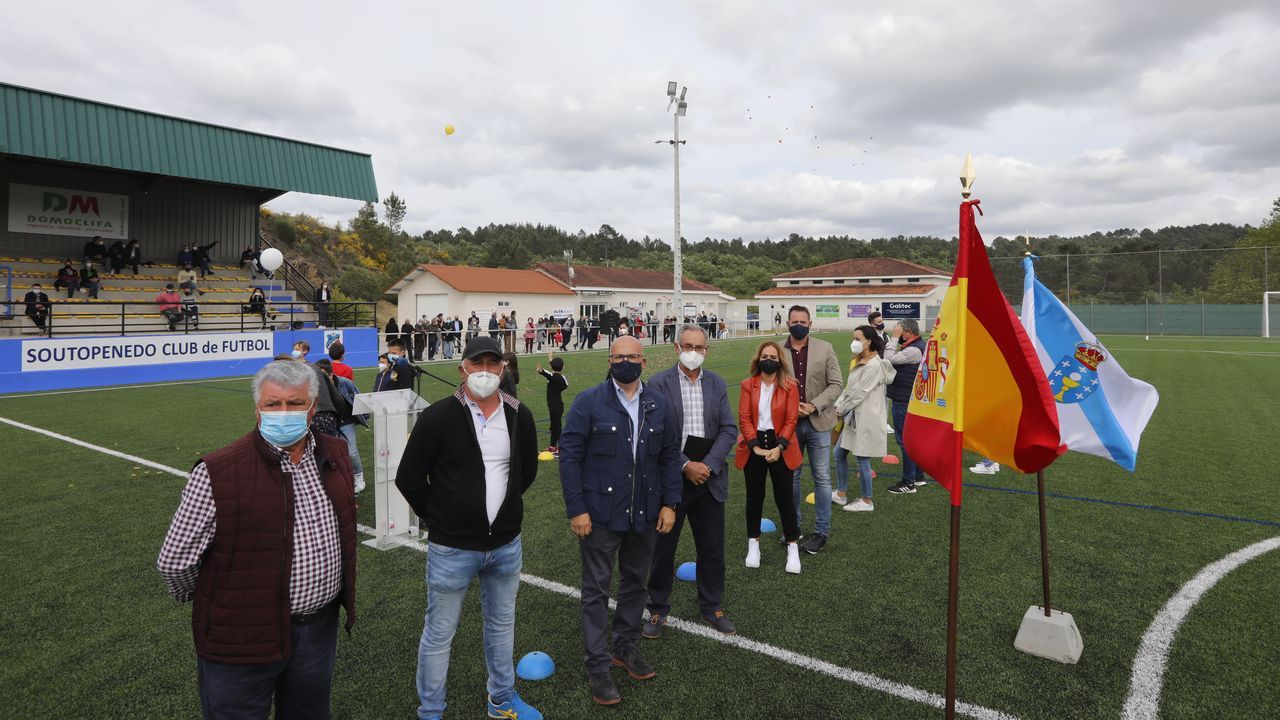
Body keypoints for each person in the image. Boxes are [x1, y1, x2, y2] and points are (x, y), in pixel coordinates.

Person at [155, 360, 357, 719]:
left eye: (295, 403)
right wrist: (212, 599)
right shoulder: (217, 472)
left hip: (317, 630)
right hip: (242, 638)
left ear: (312, 409)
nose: (284, 412)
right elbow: (175, 561)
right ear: (257, 409)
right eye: (273, 404)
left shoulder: (334, 454)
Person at [394, 336, 543, 720]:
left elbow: (525, 471)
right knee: (440, 633)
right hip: (453, 548)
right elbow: (409, 477)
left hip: (506, 544)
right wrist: (441, 517)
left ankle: (502, 700)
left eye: (493, 365)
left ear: (503, 368)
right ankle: (430, 711)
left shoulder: (518, 414)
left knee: (501, 626)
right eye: (477, 365)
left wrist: (505, 510)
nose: (485, 372)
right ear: (462, 369)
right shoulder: (438, 417)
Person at [558, 334, 681, 706]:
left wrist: (670, 503)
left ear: (644, 363)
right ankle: (598, 665)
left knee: (635, 584)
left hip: (645, 513)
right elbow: (569, 457)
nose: (625, 361)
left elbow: (670, 456)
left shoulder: (659, 404)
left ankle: (624, 647)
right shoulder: (589, 402)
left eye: (633, 356)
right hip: (599, 516)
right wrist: (576, 509)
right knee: (596, 590)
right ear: (609, 361)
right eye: (618, 356)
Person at [643, 324, 740, 639]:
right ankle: (657, 608)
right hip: (671, 480)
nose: (694, 353)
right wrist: (685, 465)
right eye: (688, 346)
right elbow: (654, 434)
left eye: (699, 348)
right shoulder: (658, 384)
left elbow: (728, 428)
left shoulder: (716, 383)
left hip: (709, 480)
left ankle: (712, 606)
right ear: (676, 348)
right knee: (662, 549)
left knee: (712, 548)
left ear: (706, 350)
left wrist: (708, 466)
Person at [735, 341, 804, 574]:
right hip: (754, 446)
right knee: (754, 498)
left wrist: (780, 447)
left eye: (773, 356)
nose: (769, 359)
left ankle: (793, 548)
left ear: (780, 361)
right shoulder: (748, 385)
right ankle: (753, 545)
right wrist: (755, 446)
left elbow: (791, 419)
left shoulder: (790, 386)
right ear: (758, 359)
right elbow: (744, 417)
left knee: (785, 499)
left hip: (780, 446)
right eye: (765, 356)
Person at [783, 305, 844, 554]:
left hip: (818, 422)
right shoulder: (777, 350)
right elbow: (770, 385)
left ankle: (821, 531)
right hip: (789, 425)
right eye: (794, 320)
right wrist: (791, 407)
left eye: (803, 321)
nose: (799, 324)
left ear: (810, 323)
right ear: (787, 324)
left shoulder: (825, 348)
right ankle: (793, 528)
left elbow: (837, 384)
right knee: (792, 478)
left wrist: (812, 405)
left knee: (822, 477)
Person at [832, 326, 895, 512]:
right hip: (854, 416)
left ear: (868, 341)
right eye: (854, 338)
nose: (855, 342)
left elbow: (859, 393)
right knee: (839, 453)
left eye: (858, 338)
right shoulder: (861, 360)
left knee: (861, 457)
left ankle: (867, 500)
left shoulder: (874, 365)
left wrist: (841, 408)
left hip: (865, 417)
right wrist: (839, 405)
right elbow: (850, 389)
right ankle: (841, 494)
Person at [885, 319, 927, 494]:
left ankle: (908, 482)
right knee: (913, 441)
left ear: (909, 332)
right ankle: (918, 476)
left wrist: (893, 339)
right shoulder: (919, 345)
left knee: (905, 442)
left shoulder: (914, 350)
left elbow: (888, 360)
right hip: (910, 399)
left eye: (900, 332)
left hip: (904, 400)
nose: (899, 335)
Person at [316, 358, 366, 494]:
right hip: (328, 425)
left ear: (330, 375)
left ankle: (359, 476)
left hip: (345, 421)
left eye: (321, 376)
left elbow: (358, 397)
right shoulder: (314, 387)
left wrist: (364, 415)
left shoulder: (345, 383)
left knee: (351, 451)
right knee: (329, 454)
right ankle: (336, 480)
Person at [292, 341, 346, 439]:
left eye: (297, 349)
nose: (294, 352)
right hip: (323, 417)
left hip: (311, 417)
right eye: (294, 349)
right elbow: (337, 398)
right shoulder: (314, 369)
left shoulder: (306, 370)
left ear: (305, 351)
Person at [536, 356, 569, 454]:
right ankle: (552, 446)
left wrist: (540, 369)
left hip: (555, 406)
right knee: (554, 426)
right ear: (562, 367)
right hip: (557, 405)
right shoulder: (561, 378)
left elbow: (544, 372)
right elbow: (550, 373)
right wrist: (550, 359)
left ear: (552, 368)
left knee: (556, 427)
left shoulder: (553, 377)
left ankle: (561, 448)